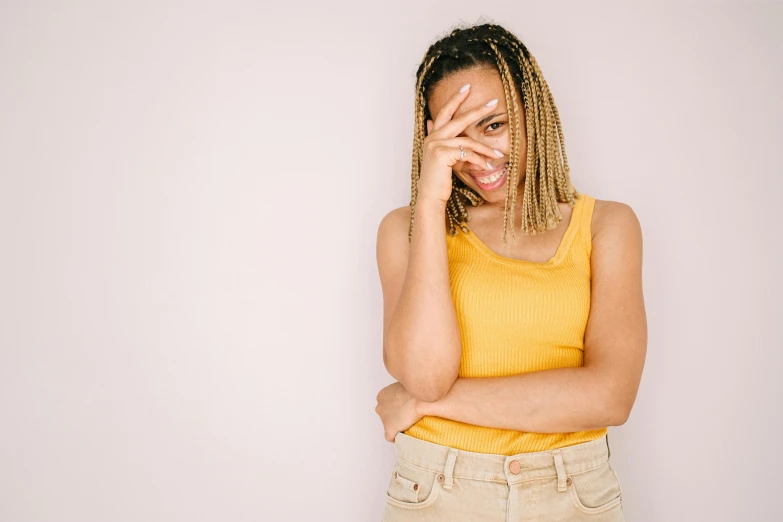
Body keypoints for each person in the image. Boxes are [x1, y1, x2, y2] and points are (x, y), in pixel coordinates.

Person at [374, 22, 647, 521]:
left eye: (493, 124)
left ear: (532, 110)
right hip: (438, 491)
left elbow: (610, 396)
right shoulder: (405, 231)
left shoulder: (607, 225)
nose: (477, 154)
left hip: (571, 495)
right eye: (455, 134)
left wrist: (420, 406)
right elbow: (424, 376)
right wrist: (431, 204)